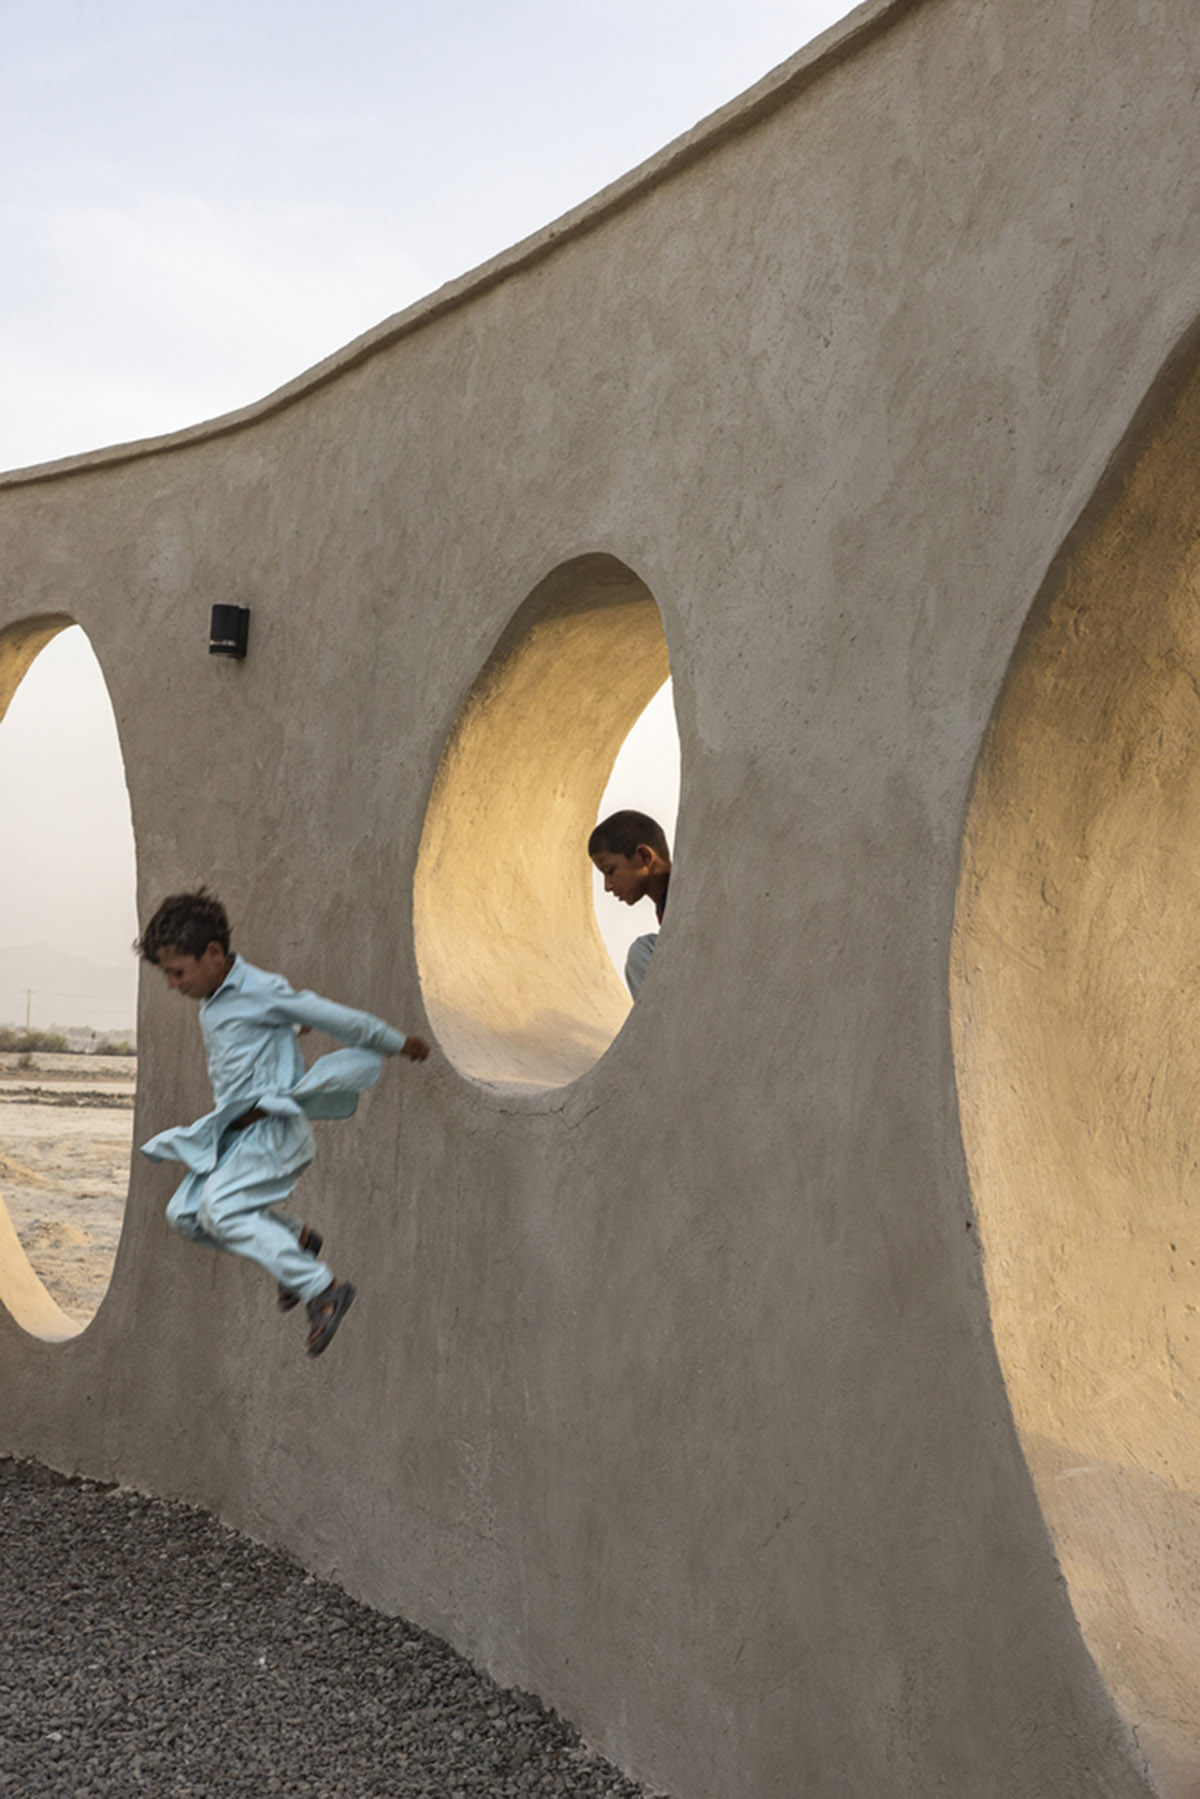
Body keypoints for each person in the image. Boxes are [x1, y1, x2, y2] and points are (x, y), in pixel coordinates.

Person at [136, 889, 430, 1357]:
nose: (173, 985)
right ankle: (295, 1237)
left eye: (177, 972)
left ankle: (323, 1289)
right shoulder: (216, 1000)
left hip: (273, 1133)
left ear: (213, 953)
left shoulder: (262, 990)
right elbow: (249, 1043)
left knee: (222, 1211)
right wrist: (288, 1033)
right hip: (235, 1138)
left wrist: (397, 1043)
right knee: (186, 1217)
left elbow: (337, 1018)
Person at [587, 810, 672, 999]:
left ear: (643, 856)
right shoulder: (666, 906)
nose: (607, 886)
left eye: (610, 871)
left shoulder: (685, 896)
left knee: (641, 951)